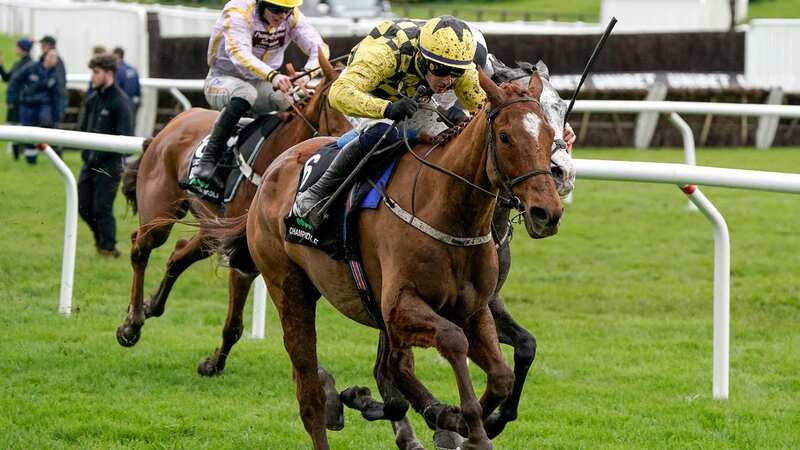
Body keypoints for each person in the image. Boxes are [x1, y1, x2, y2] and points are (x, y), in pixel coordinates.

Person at [293, 16, 576, 222]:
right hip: (364, 96)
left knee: (457, 133)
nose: (448, 80)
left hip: (413, 95)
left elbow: (484, 111)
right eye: (441, 71)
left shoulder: (456, 65)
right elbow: (339, 94)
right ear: (423, 57)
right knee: (382, 133)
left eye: (454, 72)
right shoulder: (384, 54)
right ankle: (316, 196)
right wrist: (387, 109)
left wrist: (544, 138)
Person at [189, 0, 329, 190]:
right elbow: (239, 53)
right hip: (222, 79)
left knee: (291, 99)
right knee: (245, 93)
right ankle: (206, 162)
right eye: (276, 10)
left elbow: (320, 48)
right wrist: (273, 75)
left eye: (287, 11)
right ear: (260, 3)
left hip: (262, 83)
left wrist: (307, 74)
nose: (282, 16)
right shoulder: (237, 11)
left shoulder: (292, 17)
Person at [77, 54, 134, 258]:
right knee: (83, 207)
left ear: (109, 73)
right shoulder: (93, 99)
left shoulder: (121, 102)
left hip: (109, 165)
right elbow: (82, 128)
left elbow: (125, 137)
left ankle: (109, 248)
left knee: (102, 208)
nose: (92, 76)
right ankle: (101, 242)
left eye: (96, 72)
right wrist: (87, 154)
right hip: (89, 163)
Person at [14, 50, 61, 164]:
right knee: (27, 133)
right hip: (27, 105)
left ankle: (55, 156)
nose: (53, 60)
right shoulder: (31, 67)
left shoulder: (55, 74)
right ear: (46, 57)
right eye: (51, 56)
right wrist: (15, 97)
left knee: (46, 127)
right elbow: (16, 80)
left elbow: (56, 94)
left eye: (55, 58)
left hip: (43, 105)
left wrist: (57, 112)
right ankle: (30, 161)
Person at [0, 37, 34, 160]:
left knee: (20, 129)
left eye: (17, 47)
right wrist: (1, 65)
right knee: (13, 128)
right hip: (14, 102)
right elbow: (6, 78)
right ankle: (16, 157)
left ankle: (22, 156)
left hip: (21, 103)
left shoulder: (30, 65)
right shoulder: (17, 63)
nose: (15, 49)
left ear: (23, 49)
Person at [39, 35, 68, 125]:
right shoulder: (42, 58)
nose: (41, 47)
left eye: (44, 44)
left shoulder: (57, 60)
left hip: (55, 99)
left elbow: (59, 82)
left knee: (53, 125)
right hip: (48, 99)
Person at [112, 47, 141, 118]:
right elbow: (138, 89)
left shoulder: (118, 71)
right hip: (132, 104)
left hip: (121, 105)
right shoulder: (132, 69)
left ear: (117, 56)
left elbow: (116, 89)